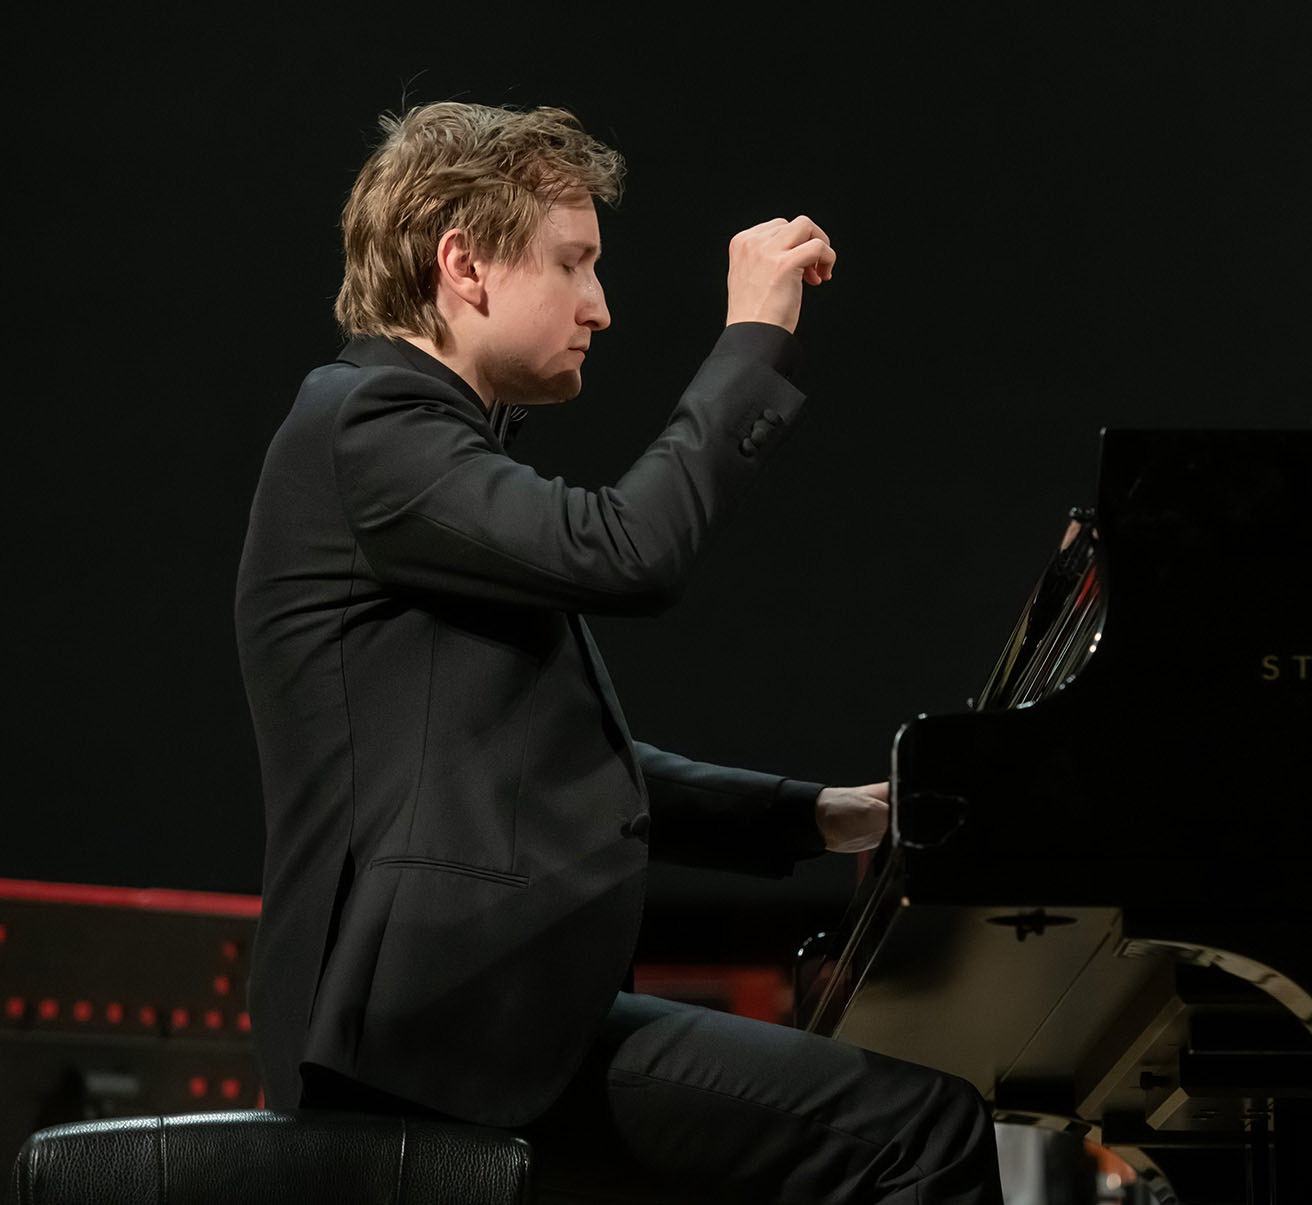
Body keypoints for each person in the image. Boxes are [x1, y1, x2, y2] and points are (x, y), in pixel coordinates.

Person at [234, 100, 1001, 1204]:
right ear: (464, 264)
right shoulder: (369, 423)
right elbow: (631, 550)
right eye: (572, 262)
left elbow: (545, 769)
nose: (599, 305)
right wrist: (753, 336)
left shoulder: (399, 444)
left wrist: (823, 815)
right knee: (917, 1131)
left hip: (452, 1019)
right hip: (423, 1034)